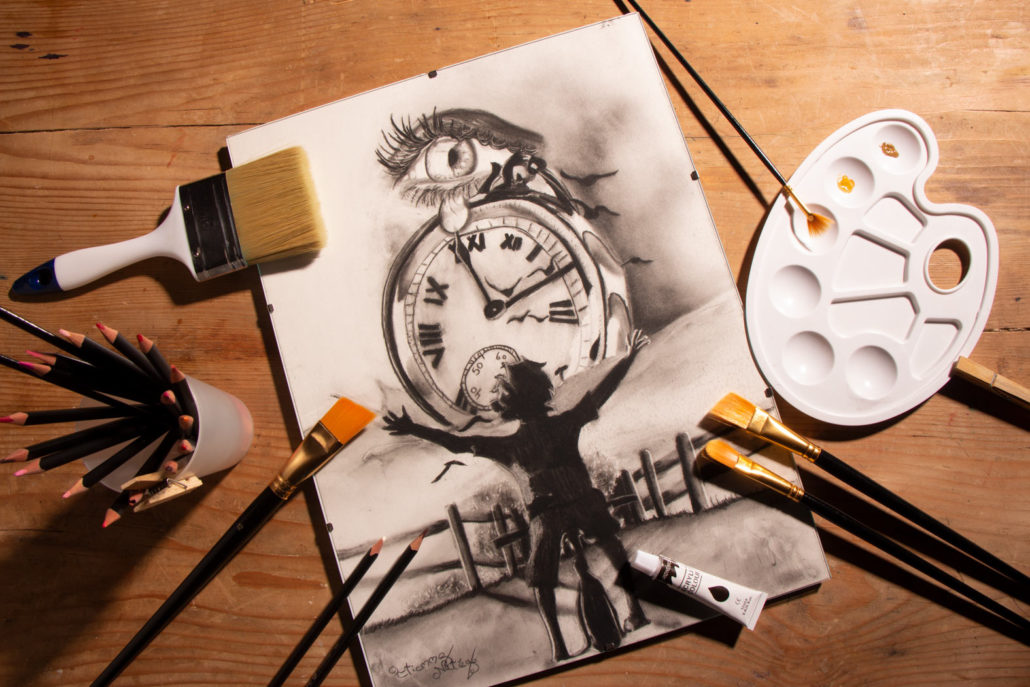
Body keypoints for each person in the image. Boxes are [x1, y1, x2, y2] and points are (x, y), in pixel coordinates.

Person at [384, 330, 651, 661]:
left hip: (546, 515)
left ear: (508, 404)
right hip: (583, 500)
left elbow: (457, 444)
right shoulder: (565, 424)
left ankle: (559, 646)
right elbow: (600, 394)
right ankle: (635, 610)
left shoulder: (510, 446)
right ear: (541, 393)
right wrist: (629, 356)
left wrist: (414, 428)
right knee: (612, 547)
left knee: (541, 580)